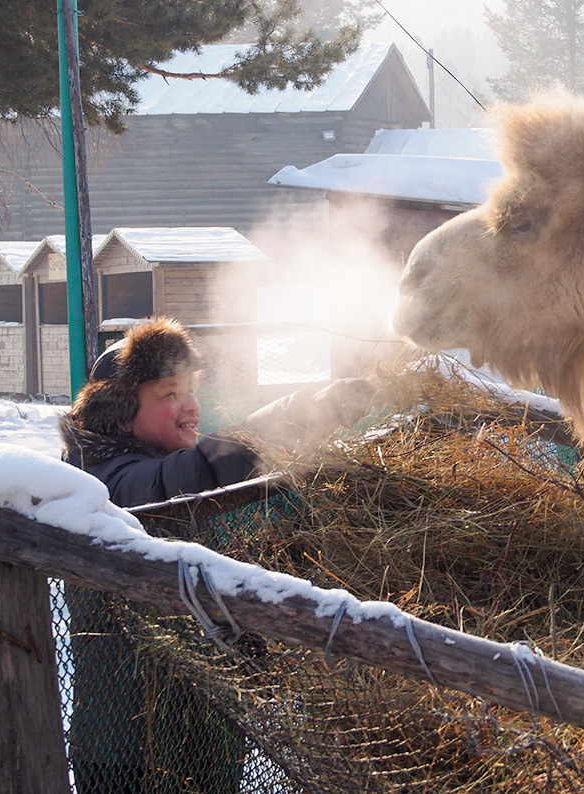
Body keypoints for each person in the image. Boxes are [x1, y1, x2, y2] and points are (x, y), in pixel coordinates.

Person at [59, 317, 378, 793]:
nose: (189, 405)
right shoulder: (106, 480)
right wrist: (289, 418)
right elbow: (178, 481)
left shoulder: (149, 465)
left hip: (202, 738)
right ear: (120, 414)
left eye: (191, 388)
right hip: (132, 752)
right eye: (168, 393)